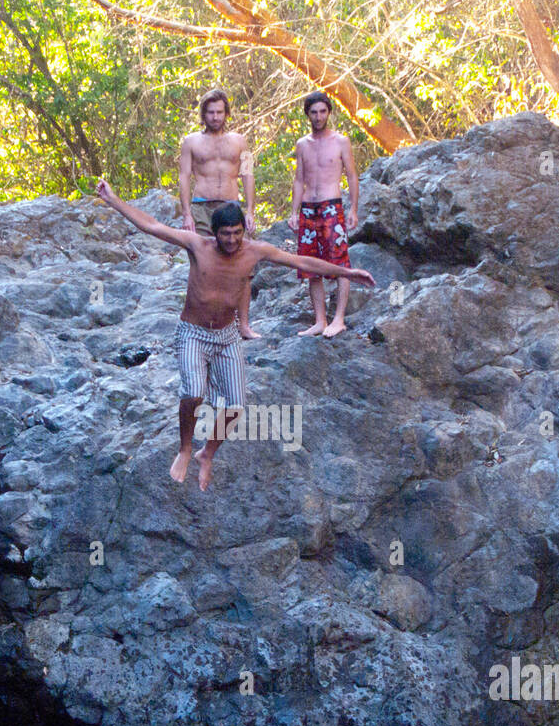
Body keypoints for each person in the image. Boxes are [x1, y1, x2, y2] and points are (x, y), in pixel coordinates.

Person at [95, 178, 375, 491]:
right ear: (214, 233)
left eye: (237, 233)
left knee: (236, 407)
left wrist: (347, 272)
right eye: (225, 234)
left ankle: (207, 453)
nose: (232, 240)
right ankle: (186, 449)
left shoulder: (254, 251)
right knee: (193, 393)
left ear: (244, 230)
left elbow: (301, 261)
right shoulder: (197, 245)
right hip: (193, 333)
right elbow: (152, 226)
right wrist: (114, 200)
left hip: (227, 336)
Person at [179, 88, 260, 340]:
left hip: (231, 205)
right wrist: (186, 214)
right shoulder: (191, 141)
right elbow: (183, 177)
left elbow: (247, 173)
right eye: (211, 112)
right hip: (202, 206)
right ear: (203, 114)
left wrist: (250, 210)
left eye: (220, 112)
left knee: (243, 266)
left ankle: (243, 324)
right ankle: (203, 323)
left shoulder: (240, 141)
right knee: (202, 264)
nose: (215, 117)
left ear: (227, 113)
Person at [289, 91, 359, 338]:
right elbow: (299, 180)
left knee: (340, 262)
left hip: (332, 206)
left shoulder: (341, 141)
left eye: (322, 112)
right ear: (307, 114)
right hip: (309, 207)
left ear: (329, 112)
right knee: (311, 265)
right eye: (314, 112)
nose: (318, 117)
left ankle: (338, 318)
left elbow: (351, 175)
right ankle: (320, 320)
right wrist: (293, 212)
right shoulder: (302, 144)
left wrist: (353, 209)